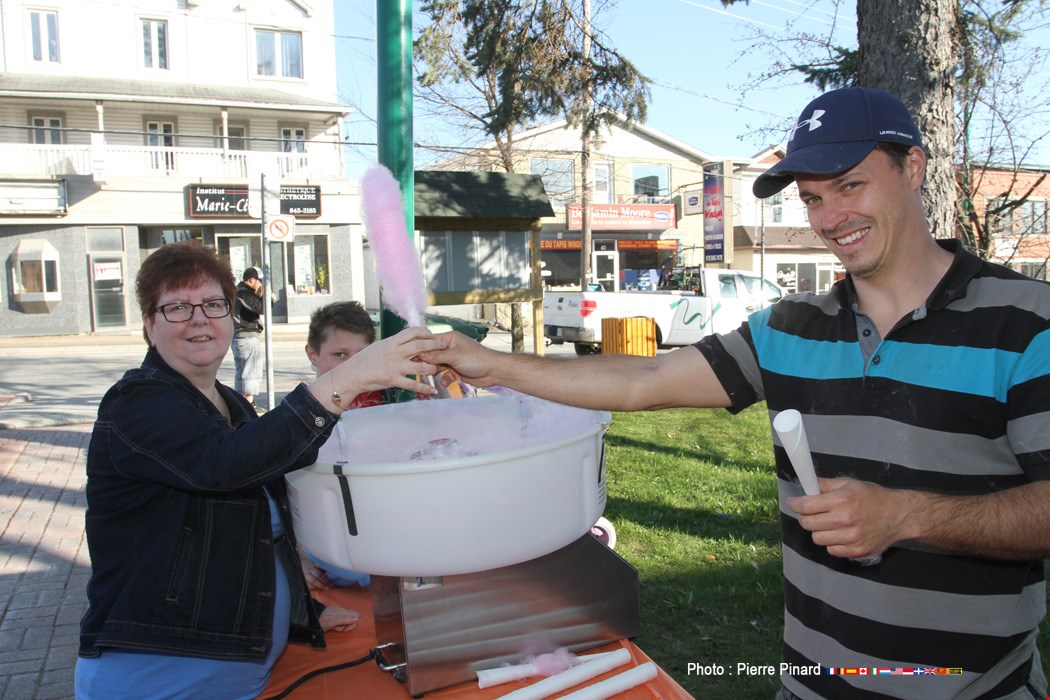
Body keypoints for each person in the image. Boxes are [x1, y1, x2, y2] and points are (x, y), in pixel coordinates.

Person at [424, 87, 1050, 700]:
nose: (831, 219)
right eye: (812, 198)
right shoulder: (788, 327)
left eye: (850, 185)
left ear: (911, 167)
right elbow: (648, 379)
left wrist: (910, 515)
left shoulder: (1027, 322)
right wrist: (490, 364)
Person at [75, 241, 440, 699]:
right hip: (161, 675)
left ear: (231, 316)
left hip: (244, 673)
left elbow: (273, 503)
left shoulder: (229, 406)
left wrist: (300, 611)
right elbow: (224, 465)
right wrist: (347, 379)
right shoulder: (137, 403)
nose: (199, 318)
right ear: (149, 325)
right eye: (176, 308)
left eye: (213, 304)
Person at [297, 300, 383, 592]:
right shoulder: (295, 414)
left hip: (386, 552)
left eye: (362, 355)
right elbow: (284, 492)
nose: (353, 365)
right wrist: (298, 558)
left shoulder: (391, 402)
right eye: (340, 355)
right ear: (313, 354)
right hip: (328, 561)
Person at [233, 266, 265, 408]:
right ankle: (249, 404)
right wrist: (265, 296)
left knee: (243, 372)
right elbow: (262, 308)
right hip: (246, 337)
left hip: (241, 337)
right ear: (252, 280)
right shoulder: (243, 293)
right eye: (259, 281)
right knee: (250, 371)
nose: (261, 284)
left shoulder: (240, 292)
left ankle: (241, 405)